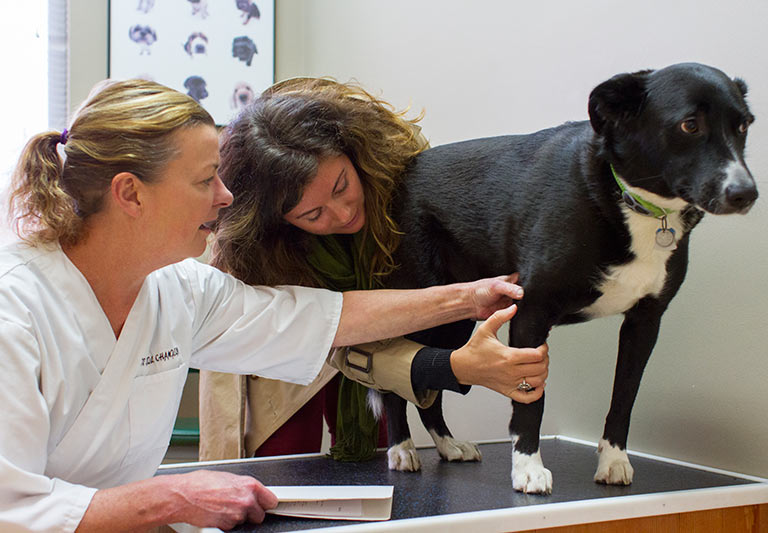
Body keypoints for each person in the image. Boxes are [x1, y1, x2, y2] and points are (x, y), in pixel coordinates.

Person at [0, 79, 547, 532]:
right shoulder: (14, 309)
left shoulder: (180, 289)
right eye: (202, 179)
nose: (225, 196)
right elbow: (11, 509)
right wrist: (171, 498)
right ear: (130, 194)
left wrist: (469, 297)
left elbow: (320, 318)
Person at [199, 77, 550, 464]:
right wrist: (452, 367)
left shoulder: (401, 165)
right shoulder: (263, 252)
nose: (344, 213)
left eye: (342, 186)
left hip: (383, 323)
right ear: (280, 224)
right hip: (283, 343)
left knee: (381, 452)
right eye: (313, 214)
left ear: (354, 153)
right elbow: (330, 333)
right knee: (282, 464)